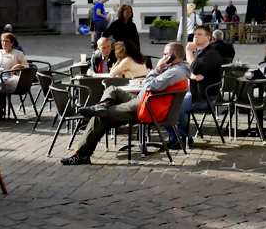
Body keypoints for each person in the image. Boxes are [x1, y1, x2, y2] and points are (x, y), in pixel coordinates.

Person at [61, 42, 190, 165]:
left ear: (172, 55)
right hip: (143, 100)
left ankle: (82, 155)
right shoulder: (177, 69)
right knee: (113, 90)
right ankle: (102, 105)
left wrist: (157, 68)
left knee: (100, 118)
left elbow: (149, 84)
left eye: (165, 54)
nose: (162, 57)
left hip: (146, 107)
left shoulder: (174, 72)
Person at [168, 26, 221, 150]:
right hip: (192, 92)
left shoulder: (211, 53)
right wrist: (191, 75)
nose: (195, 36)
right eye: (195, 34)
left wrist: (188, 52)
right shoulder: (197, 52)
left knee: (178, 108)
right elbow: (189, 69)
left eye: (199, 34)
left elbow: (196, 67)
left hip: (204, 97)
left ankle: (184, 138)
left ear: (208, 37)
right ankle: (173, 137)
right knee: (166, 104)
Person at [0, 32, 27, 117]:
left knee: (0, 84)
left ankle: (0, 108)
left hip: (7, 76)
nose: (4, 43)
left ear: (12, 43)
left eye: (7, 41)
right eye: (3, 41)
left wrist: (19, 65)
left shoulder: (18, 53)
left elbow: (27, 67)